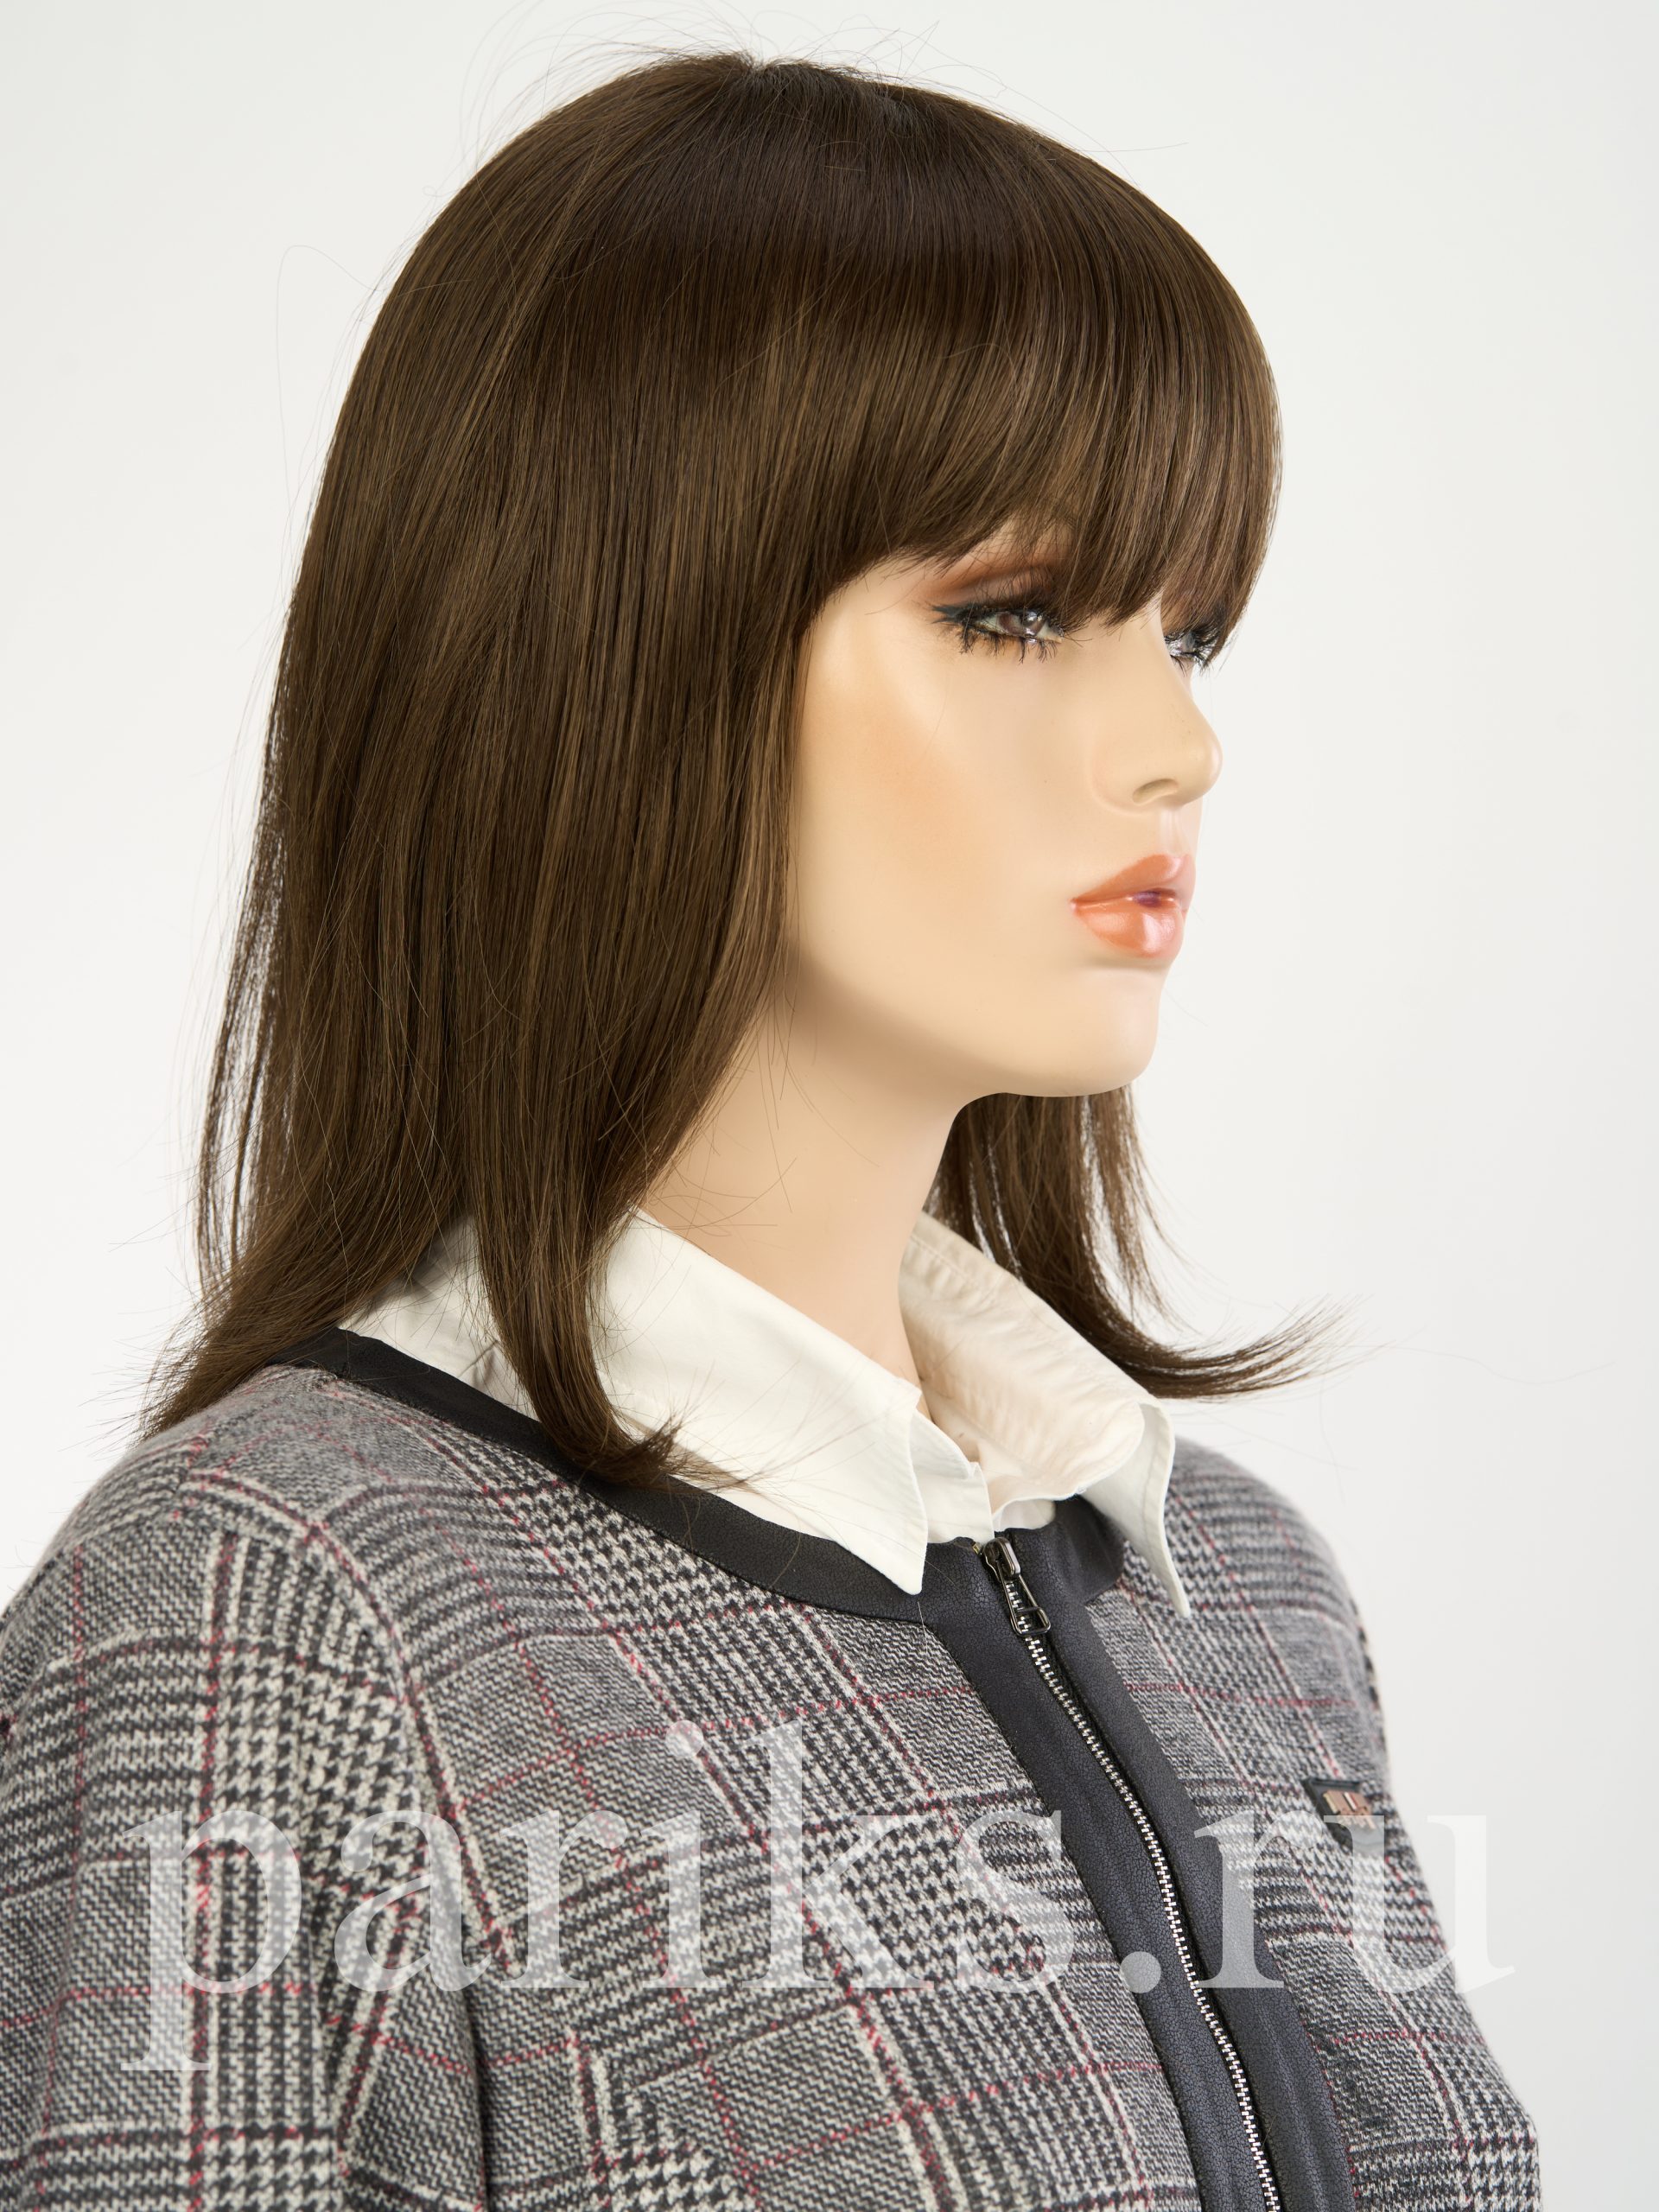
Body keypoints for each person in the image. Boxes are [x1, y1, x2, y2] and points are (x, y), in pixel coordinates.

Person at [0, 48, 1540, 2212]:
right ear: (618, 650)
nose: (1175, 741)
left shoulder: (1243, 1592)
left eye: (1189, 631)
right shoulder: (272, 1603)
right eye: (1013, 613)